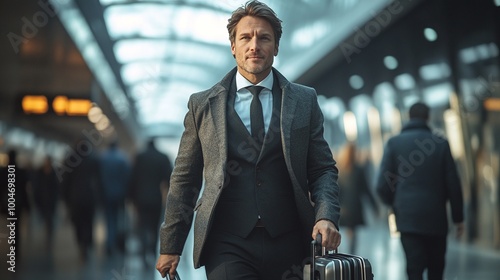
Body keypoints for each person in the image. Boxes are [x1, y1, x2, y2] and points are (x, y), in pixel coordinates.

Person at [156, 1, 341, 279]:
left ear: (276, 47)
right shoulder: (203, 104)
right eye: (245, 37)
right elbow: (185, 179)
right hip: (226, 241)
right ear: (233, 46)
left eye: (264, 38)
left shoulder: (304, 100)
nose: (254, 45)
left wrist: (326, 215)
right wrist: (171, 245)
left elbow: (322, 169)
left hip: (289, 240)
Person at [375, 102, 465, 280]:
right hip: (436, 219)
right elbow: (453, 184)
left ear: (409, 117)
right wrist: (458, 218)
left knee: (414, 270)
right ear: (428, 117)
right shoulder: (441, 143)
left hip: (408, 219)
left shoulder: (394, 143)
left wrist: (395, 204)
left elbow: (381, 185)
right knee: (436, 270)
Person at [128, 138, 172, 267]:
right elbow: (170, 178)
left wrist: (131, 197)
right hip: (156, 198)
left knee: (142, 225)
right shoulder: (162, 157)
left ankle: (143, 250)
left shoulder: (139, 157)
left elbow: (132, 178)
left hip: (140, 198)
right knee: (154, 226)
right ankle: (152, 250)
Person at [337, 142, 378, 254]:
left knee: (342, 232)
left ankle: (341, 254)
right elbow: (366, 190)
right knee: (352, 233)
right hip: (354, 207)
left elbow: (337, 191)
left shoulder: (340, 171)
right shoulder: (358, 170)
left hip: (343, 208)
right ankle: (351, 255)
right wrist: (374, 206)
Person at [99, 140, 131, 255]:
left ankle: (109, 244)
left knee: (109, 220)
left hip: (106, 195)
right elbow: (127, 178)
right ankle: (119, 243)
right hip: (120, 194)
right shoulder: (122, 158)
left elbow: (99, 179)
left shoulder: (103, 159)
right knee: (119, 219)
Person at [32, 156, 60, 248]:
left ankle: (49, 235)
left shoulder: (53, 173)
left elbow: (56, 187)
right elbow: (36, 186)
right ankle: (48, 233)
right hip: (42, 200)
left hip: (50, 200)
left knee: (49, 219)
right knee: (46, 218)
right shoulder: (40, 172)